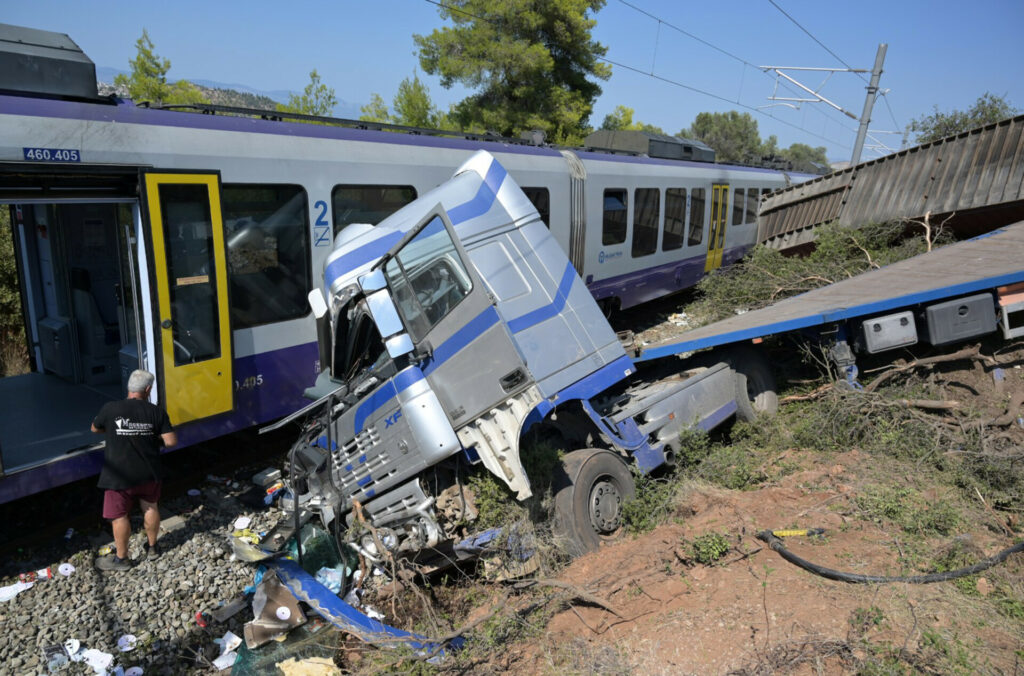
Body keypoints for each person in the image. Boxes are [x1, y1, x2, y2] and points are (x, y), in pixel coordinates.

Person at [91, 369, 177, 571]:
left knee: (119, 516)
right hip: (149, 473)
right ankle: (153, 547)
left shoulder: (110, 408)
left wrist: (115, 430)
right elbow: (171, 441)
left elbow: (94, 428)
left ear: (129, 387)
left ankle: (122, 559)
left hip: (118, 476)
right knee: (150, 506)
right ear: (148, 389)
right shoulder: (156, 412)